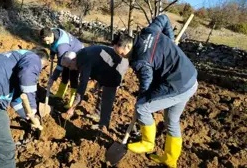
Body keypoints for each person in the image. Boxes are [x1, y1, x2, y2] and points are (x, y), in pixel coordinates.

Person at [113, 14, 198, 168]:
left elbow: (147, 83)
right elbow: (164, 18)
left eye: (122, 54)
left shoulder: (140, 60)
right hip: (191, 79)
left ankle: (147, 143)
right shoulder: (149, 31)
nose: (122, 57)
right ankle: (170, 160)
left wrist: (141, 100)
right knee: (171, 120)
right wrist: (171, 40)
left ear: (127, 46)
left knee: (142, 108)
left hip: (177, 84)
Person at [64, 45, 129, 129]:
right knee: (101, 88)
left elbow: (82, 85)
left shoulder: (84, 60)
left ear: (73, 59)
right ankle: (97, 114)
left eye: (69, 66)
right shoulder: (81, 55)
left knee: (108, 94)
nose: (71, 69)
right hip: (107, 65)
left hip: (118, 65)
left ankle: (103, 125)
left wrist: (73, 107)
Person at [40, 27, 84, 108]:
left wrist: (53, 78)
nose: (46, 43)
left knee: (73, 76)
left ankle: (72, 102)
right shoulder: (51, 31)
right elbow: (52, 45)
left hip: (78, 53)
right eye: (44, 41)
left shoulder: (62, 46)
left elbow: (60, 66)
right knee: (65, 74)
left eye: (48, 40)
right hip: (68, 52)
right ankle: (60, 94)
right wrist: (52, 53)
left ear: (51, 35)